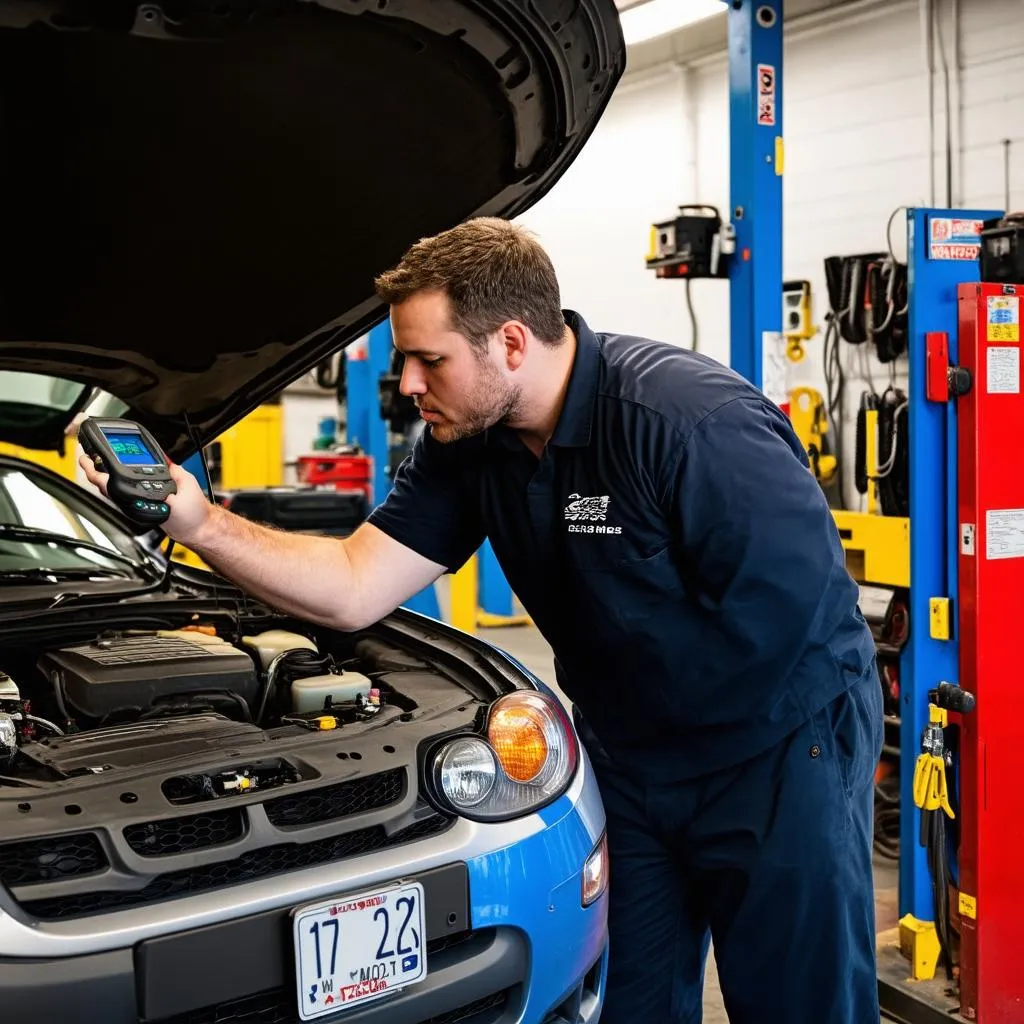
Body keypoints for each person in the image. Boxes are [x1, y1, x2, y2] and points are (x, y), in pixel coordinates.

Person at [81, 217, 883, 1023]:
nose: (409, 385)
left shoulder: (689, 423)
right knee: (626, 1001)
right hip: (632, 760)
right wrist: (200, 523)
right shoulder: (469, 446)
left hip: (779, 754)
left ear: (508, 343)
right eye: (405, 360)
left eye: (430, 360)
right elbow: (358, 583)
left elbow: (796, 631)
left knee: (800, 1000)